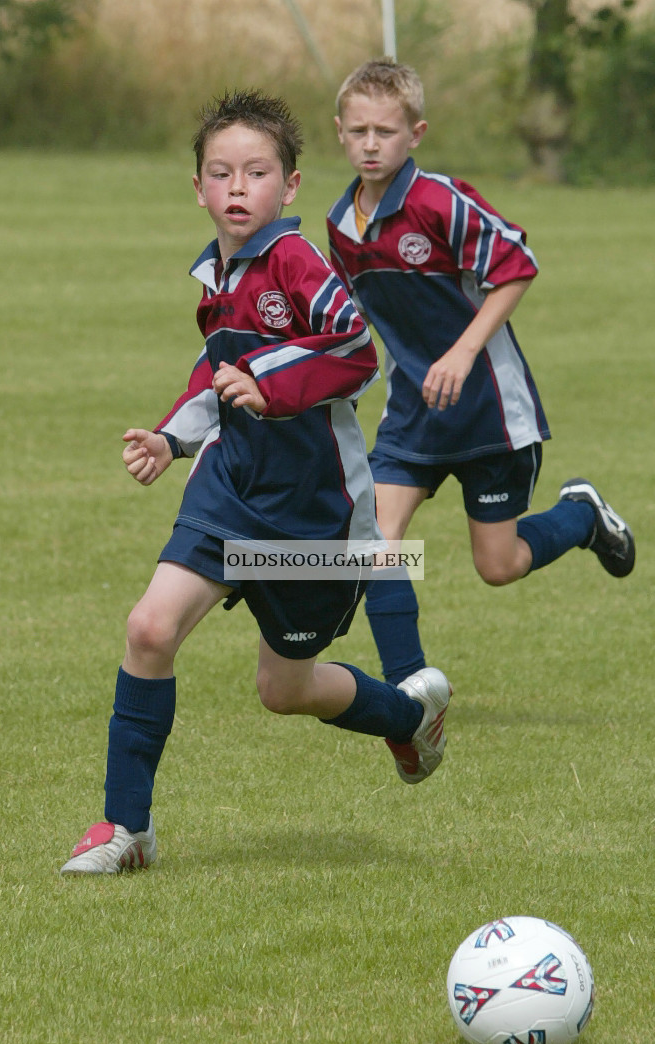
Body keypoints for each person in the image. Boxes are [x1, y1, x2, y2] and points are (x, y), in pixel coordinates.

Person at [61, 91, 452, 874]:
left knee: (284, 689)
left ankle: (407, 713)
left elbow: (354, 348)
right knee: (149, 629)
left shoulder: (296, 262)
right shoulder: (217, 274)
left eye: (257, 172)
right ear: (198, 188)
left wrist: (271, 382)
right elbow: (216, 372)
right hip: (230, 489)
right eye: (220, 172)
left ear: (291, 186)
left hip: (315, 515)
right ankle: (124, 829)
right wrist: (170, 438)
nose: (237, 187)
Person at [327, 59, 635, 687]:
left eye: (384, 131)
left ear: (415, 133)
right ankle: (412, 696)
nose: (370, 143)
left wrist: (463, 351)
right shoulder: (340, 224)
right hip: (414, 411)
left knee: (498, 565)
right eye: (358, 130)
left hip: (489, 409)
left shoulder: (441, 201)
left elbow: (518, 265)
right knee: (377, 547)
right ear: (339, 131)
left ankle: (580, 515)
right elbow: (357, 320)